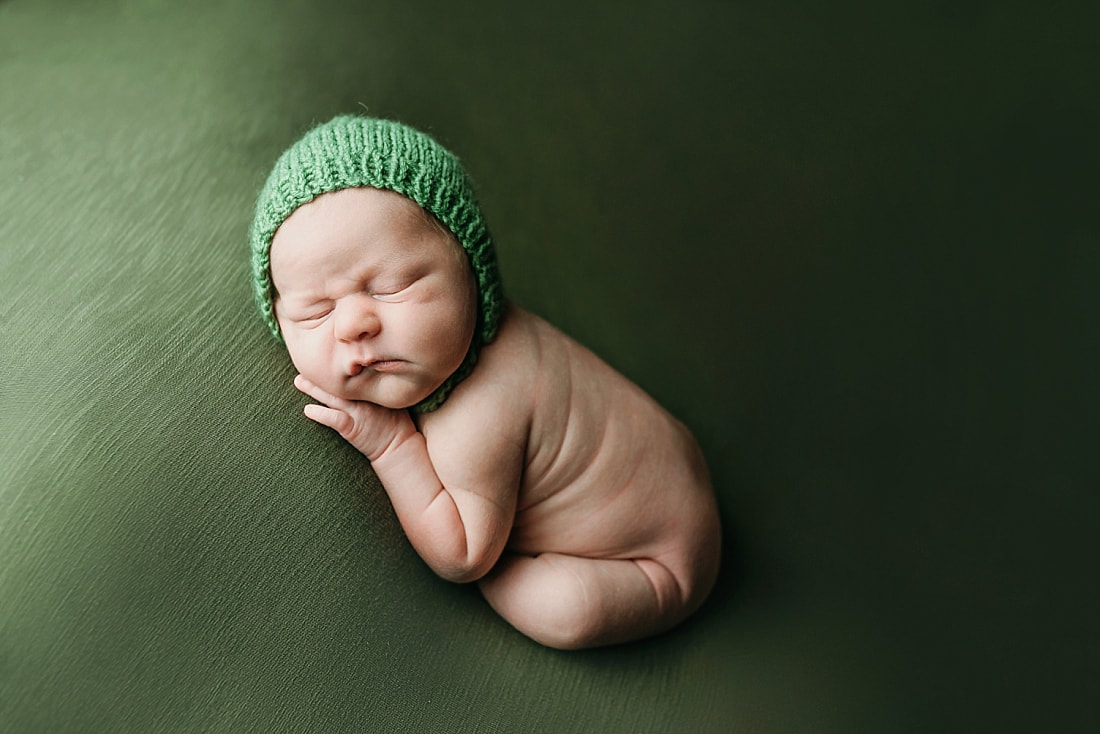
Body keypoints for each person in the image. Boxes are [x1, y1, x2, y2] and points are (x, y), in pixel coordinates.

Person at [250, 115, 721, 649]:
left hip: (655, 562)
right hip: (676, 468)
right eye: (315, 313)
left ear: (473, 272)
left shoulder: (481, 409)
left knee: (566, 610)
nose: (353, 324)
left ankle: (666, 586)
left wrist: (390, 443)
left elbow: (465, 555)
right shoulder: (462, 345)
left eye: (392, 285)